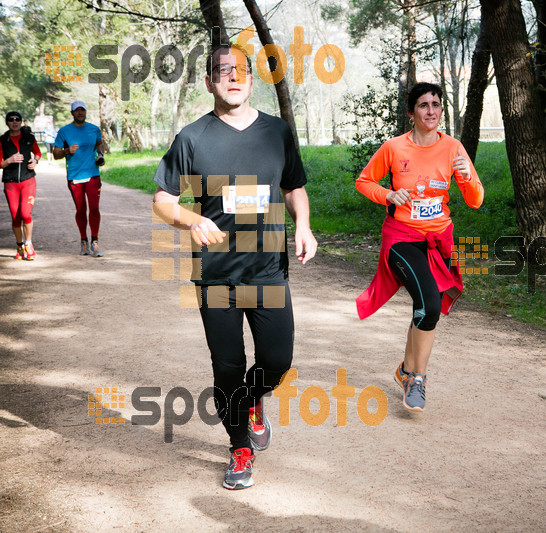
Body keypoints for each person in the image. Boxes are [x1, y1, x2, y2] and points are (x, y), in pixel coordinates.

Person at [152, 44, 317, 490]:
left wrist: (303, 224)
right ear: (209, 82)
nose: (233, 76)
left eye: (241, 69)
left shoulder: (277, 132)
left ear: (251, 77)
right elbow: (164, 201)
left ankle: (253, 400)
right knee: (227, 366)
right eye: (222, 71)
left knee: (277, 361)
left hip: (268, 269)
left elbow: (294, 187)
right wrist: (192, 218)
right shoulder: (193, 137)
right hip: (216, 274)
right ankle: (239, 446)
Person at [355, 82, 484, 413]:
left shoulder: (454, 148)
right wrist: (388, 195)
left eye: (436, 105)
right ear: (411, 113)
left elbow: (476, 200)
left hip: (437, 240)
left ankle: (404, 370)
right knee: (427, 301)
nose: (431, 111)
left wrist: (467, 176)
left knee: (426, 305)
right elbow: (364, 181)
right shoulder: (394, 148)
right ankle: (418, 379)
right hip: (401, 237)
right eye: (424, 105)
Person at [54, 101, 105, 257]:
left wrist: (100, 156)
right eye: (77, 110)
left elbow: (99, 144)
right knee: (81, 209)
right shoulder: (64, 131)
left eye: (83, 110)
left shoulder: (94, 129)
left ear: (85, 112)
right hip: (75, 176)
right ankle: (84, 240)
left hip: (93, 175)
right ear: (72, 113)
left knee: (95, 209)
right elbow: (56, 154)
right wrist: (67, 150)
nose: (80, 113)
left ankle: (94, 242)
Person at [1, 111, 41, 260]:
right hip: (11, 183)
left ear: (20, 121)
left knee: (26, 214)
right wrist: (10, 160)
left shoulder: (29, 138)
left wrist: (35, 160)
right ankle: (19, 246)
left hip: (28, 180)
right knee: (15, 216)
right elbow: (0, 163)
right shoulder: (3, 140)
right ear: (7, 122)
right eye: (11, 120)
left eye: (17, 119)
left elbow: (37, 152)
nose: (14, 122)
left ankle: (28, 244)